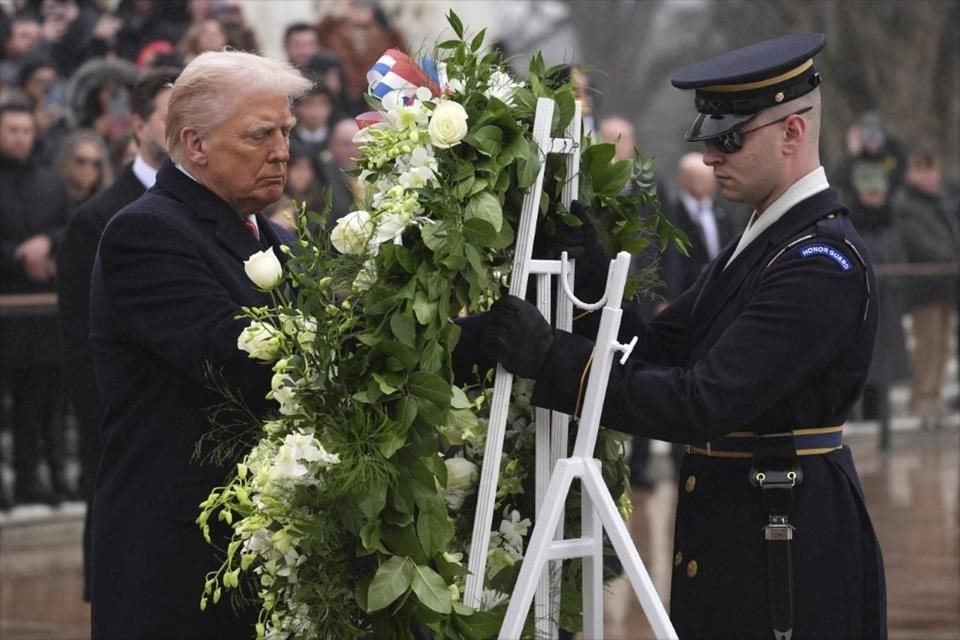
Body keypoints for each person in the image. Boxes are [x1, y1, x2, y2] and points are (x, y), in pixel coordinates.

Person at [464, 34, 886, 639]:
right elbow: (658, 350)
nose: (711, 156)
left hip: (788, 545)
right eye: (707, 139)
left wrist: (553, 357)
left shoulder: (818, 261)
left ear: (792, 131)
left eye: (730, 139)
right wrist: (590, 282)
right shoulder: (764, 242)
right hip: (743, 533)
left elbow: (701, 401)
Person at [88, 50, 310, 638]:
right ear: (196, 144)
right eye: (260, 135)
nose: (282, 152)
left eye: (286, 132)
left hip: (255, 552)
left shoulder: (278, 239)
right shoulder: (147, 232)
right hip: (179, 565)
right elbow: (239, 357)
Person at [57, 65, 179, 602]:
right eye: (168, 116)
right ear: (136, 124)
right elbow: (80, 340)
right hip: (122, 421)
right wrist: (103, 421)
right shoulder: (97, 218)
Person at [0, 100, 72, 506]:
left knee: (37, 402)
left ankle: (35, 479)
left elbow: (67, 227)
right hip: (6, 303)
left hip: (41, 313)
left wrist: (47, 242)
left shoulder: (50, 182)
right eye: (12, 130)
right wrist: (17, 254)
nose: (20, 138)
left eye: (26, 130)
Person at [891, 148, 960, 428]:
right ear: (911, 174)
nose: (929, 176)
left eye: (932, 170)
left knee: (943, 346)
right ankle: (921, 400)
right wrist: (948, 256)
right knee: (927, 347)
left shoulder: (942, 201)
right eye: (922, 171)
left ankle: (934, 397)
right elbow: (916, 241)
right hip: (925, 284)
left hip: (946, 282)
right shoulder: (905, 203)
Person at [54, 128, 113, 210]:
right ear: (67, 161)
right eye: (81, 162)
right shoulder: (51, 200)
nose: (88, 170)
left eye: (96, 164)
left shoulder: (104, 207)